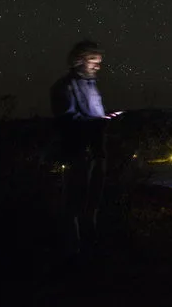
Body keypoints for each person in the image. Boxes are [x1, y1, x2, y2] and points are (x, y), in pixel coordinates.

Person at [50, 40, 122, 256]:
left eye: (99, 62)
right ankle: (73, 253)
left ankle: (91, 248)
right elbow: (67, 121)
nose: (98, 66)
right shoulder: (64, 86)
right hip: (79, 154)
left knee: (92, 205)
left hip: (97, 153)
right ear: (79, 60)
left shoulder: (91, 86)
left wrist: (104, 119)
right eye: (93, 61)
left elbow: (91, 116)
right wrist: (97, 122)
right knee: (74, 205)